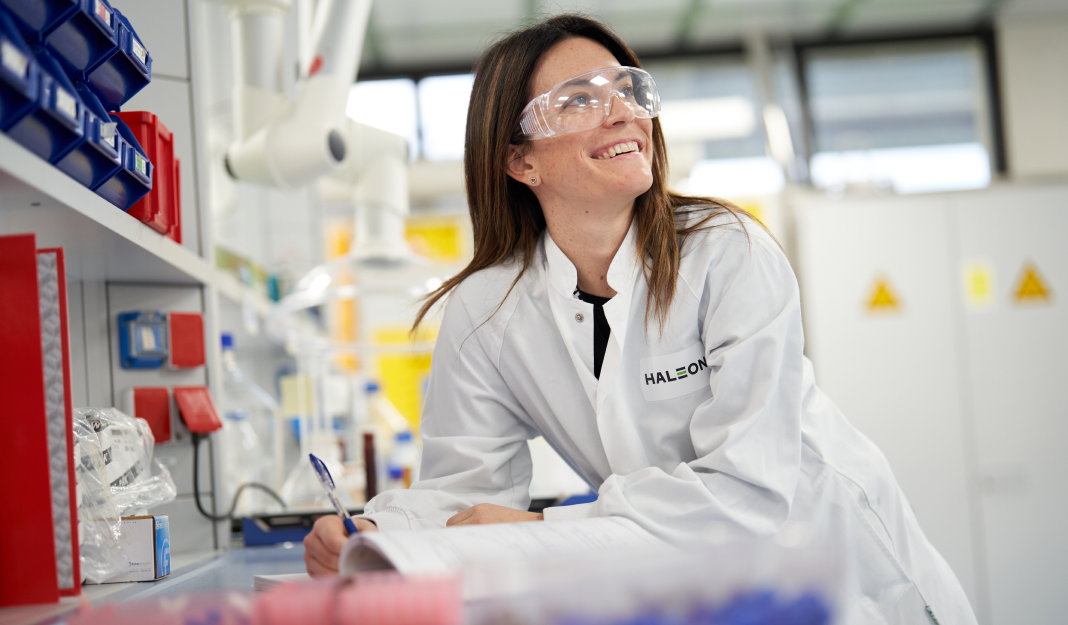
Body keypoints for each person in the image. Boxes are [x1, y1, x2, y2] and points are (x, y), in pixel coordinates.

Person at [304, 13, 976, 624]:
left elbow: (747, 492)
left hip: (844, 574)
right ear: (519, 160)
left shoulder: (727, 252)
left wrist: (542, 529)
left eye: (627, 89)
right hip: (695, 585)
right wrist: (374, 532)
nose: (622, 112)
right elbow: (465, 490)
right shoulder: (490, 309)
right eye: (578, 100)